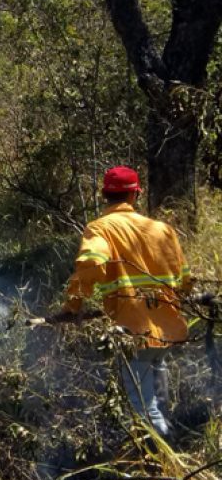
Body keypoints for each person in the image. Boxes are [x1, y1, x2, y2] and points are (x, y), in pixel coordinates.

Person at [61, 166, 191, 438]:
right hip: (167, 328)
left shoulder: (100, 229)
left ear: (105, 194)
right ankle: (172, 443)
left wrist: (73, 305)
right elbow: (184, 278)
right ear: (135, 195)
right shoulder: (162, 229)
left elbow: (92, 265)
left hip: (133, 331)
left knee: (143, 408)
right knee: (156, 392)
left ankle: (161, 460)